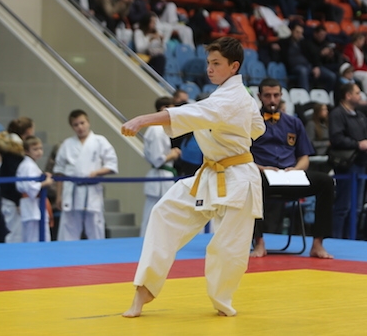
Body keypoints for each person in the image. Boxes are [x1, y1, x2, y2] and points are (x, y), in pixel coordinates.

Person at [120, 37, 265, 318]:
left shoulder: (232, 98)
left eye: (216, 63)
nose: (209, 68)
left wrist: (142, 119)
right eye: (209, 62)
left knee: (228, 247)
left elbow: (196, 113)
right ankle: (144, 289)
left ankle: (222, 300)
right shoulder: (235, 97)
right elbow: (257, 128)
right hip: (210, 174)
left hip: (239, 178)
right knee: (165, 212)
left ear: (234, 66)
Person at [250, 78, 334, 259]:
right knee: (250, 181)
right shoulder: (249, 123)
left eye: (276, 95)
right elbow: (243, 158)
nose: (272, 100)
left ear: (281, 96)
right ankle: (259, 242)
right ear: (259, 97)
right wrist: (261, 168)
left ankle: (317, 244)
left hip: (291, 176)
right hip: (263, 176)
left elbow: (304, 157)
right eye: (267, 96)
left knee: (326, 182)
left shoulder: (294, 123)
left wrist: (296, 169)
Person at [54, 109, 118, 241]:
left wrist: (97, 172)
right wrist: (58, 195)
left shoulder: (100, 141)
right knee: (68, 229)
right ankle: (67, 253)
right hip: (71, 190)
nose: (80, 127)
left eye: (82, 123)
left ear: (88, 122)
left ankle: (97, 253)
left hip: (92, 190)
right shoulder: (67, 144)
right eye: (75, 125)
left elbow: (112, 164)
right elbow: (59, 171)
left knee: (95, 228)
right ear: (72, 127)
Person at [329, 82, 367, 239]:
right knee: (344, 206)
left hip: (361, 163)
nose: (360, 96)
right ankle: (337, 239)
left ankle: (351, 239)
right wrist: (357, 144)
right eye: (357, 93)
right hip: (347, 164)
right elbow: (336, 137)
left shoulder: (360, 115)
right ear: (348, 96)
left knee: (357, 207)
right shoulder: (337, 114)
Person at [140, 97, 180, 236]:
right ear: (164, 109)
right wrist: (173, 154)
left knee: (162, 214)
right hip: (159, 178)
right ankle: (145, 242)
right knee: (152, 215)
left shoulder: (160, 129)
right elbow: (157, 160)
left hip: (163, 177)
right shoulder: (156, 130)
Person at [0, 117, 35, 243]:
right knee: (16, 234)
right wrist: (17, 201)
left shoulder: (14, 151)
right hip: (12, 200)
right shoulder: (14, 153)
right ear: (28, 131)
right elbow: (12, 180)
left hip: (14, 199)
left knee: (19, 233)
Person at [15, 136, 54, 243]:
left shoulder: (30, 165)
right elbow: (30, 186)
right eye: (35, 149)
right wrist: (45, 183)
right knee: (33, 238)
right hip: (31, 206)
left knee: (37, 237)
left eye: (40, 148)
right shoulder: (28, 166)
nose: (39, 152)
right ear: (26, 151)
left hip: (33, 205)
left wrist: (43, 176)